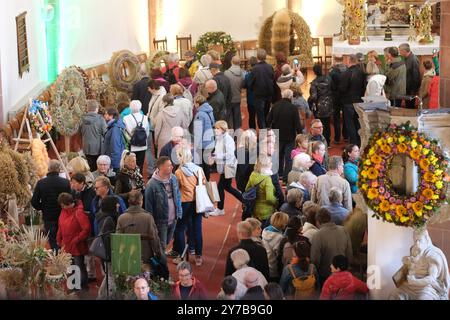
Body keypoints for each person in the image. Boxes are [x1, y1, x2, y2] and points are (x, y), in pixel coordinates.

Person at [389, 229, 450, 300]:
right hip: (410, 286)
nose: (417, 243)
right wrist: (408, 263)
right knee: (393, 295)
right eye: (415, 240)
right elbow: (412, 268)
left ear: (426, 239)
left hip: (427, 287)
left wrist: (415, 281)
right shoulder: (415, 249)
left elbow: (431, 279)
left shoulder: (433, 255)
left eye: (420, 240)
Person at [173, 147, 206, 266]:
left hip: (184, 203)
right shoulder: (199, 169)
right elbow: (204, 184)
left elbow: (176, 189)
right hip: (198, 202)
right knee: (197, 228)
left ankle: (182, 257)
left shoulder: (179, 172)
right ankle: (199, 257)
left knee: (180, 228)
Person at [31, 160, 71, 250]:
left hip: (48, 216)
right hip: (63, 214)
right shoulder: (65, 182)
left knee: (52, 239)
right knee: (64, 238)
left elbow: (34, 201)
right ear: (59, 169)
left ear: (48, 169)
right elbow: (70, 199)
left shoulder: (41, 183)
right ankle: (66, 258)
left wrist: (43, 207)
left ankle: (56, 257)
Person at [145, 156, 182, 253]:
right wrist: (151, 224)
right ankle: (161, 265)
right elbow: (148, 207)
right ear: (161, 168)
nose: (172, 167)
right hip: (161, 221)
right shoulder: (151, 185)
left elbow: (177, 195)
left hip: (174, 218)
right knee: (161, 247)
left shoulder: (173, 178)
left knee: (167, 242)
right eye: (169, 165)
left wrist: (179, 211)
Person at [267, 89, 303, 183]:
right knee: (288, 158)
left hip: (277, 135)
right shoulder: (293, 108)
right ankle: (286, 179)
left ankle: (279, 174)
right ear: (291, 97)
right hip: (290, 136)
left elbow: (268, 120)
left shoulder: (275, 106)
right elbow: (297, 124)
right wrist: (300, 134)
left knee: (278, 156)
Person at [116, 190, 162, 264]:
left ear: (128, 201)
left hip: (127, 258)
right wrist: (159, 254)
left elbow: (118, 240)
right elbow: (155, 239)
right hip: (145, 257)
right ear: (141, 201)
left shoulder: (121, 218)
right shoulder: (148, 217)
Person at [56, 193, 90, 290]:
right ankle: (73, 286)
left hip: (77, 245)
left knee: (79, 266)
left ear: (68, 203)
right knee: (70, 266)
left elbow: (86, 229)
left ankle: (83, 286)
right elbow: (60, 226)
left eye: (62, 205)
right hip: (66, 244)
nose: (61, 207)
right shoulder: (63, 211)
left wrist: (77, 239)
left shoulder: (78, 212)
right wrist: (59, 238)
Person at [311, 208, 353, 284]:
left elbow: (315, 260)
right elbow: (349, 253)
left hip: (326, 276)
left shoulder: (317, 235)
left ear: (317, 222)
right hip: (343, 272)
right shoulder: (344, 230)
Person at [211, 120, 242, 216]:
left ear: (223, 130)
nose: (215, 130)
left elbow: (229, 154)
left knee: (220, 186)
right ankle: (245, 200)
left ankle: (220, 209)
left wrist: (216, 156)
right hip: (224, 166)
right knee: (227, 187)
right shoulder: (219, 138)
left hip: (228, 166)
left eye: (217, 128)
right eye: (215, 128)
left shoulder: (227, 139)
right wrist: (214, 155)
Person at [339, 54, 366, 146]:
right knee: (357, 123)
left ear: (349, 61)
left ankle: (353, 144)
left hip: (348, 102)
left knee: (349, 124)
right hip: (359, 101)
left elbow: (342, 88)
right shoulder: (362, 71)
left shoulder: (346, 73)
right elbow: (364, 87)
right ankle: (359, 142)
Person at [95, 196, 119, 300]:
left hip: (104, 253)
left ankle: (101, 296)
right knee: (111, 277)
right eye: (116, 204)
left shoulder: (102, 216)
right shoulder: (109, 219)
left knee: (108, 276)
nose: (118, 205)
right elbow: (108, 239)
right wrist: (111, 256)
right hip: (109, 254)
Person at [245, 154, 278, 226]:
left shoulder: (253, 175)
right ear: (266, 165)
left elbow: (247, 189)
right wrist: (276, 203)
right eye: (270, 162)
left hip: (255, 209)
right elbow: (269, 198)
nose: (272, 163)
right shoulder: (267, 179)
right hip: (266, 211)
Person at [249, 49, 274, 129]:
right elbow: (272, 79)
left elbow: (250, 83)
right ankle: (269, 135)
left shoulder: (254, 69)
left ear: (257, 57)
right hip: (269, 95)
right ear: (265, 57)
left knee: (260, 117)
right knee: (267, 115)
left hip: (259, 96)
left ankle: (263, 138)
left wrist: (253, 89)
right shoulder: (270, 67)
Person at [308, 64, 333, 146]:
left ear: (314, 72)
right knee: (327, 124)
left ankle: (321, 142)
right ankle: (328, 142)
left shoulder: (314, 83)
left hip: (319, 107)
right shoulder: (328, 79)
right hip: (328, 104)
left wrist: (309, 101)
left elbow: (313, 97)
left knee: (319, 125)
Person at [192, 94, 215, 180]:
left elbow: (198, 132)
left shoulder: (200, 114)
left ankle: (204, 184)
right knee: (207, 166)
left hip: (203, 144)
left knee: (202, 166)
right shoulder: (209, 110)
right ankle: (207, 182)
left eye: (194, 103)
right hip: (210, 141)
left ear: (198, 103)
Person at [262, 212, 290, 281]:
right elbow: (280, 255)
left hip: (266, 265)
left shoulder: (266, 230)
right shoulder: (278, 237)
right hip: (274, 269)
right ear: (283, 223)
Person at [123, 100, 149, 173]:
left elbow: (125, 133)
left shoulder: (126, 118)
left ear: (130, 107)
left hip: (132, 144)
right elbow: (147, 132)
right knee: (140, 164)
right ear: (140, 107)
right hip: (143, 144)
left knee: (130, 164)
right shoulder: (145, 117)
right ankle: (139, 180)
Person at [80, 100, 107, 171]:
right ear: (97, 109)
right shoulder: (101, 119)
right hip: (97, 148)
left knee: (89, 166)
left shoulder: (82, 119)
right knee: (97, 167)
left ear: (87, 109)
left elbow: (80, 132)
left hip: (86, 146)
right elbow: (105, 133)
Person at [329, 55, 348, 143]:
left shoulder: (332, 72)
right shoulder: (347, 70)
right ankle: (346, 136)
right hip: (345, 96)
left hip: (335, 96)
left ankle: (337, 138)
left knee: (336, 117)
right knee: (345, 116)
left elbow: (330, 85)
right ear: (342, 60)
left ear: (334, 60)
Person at [102, 107, 126, 172]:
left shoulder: (115, 128)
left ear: (111, 116)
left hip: (113, 162)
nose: (104, 115)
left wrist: (113, 164)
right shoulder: (114, 126)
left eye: (106, 114)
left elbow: (115, 146)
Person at [224, 55, 245, 129]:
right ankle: (238, 132)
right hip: (237, 96)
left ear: (231, 62)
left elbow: (225, 85)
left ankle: (230, 134)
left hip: (229, 98)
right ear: (239, 63)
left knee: (229, 117)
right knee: (237, 115)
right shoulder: (242, 73)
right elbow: (243, 85)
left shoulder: (226, 73)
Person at [399, 43, 421, 109]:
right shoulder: (406, 58)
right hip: (407, 87)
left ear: (404, 51)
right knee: (407, 104)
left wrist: (413, 90)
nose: (399, 53)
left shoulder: (413, 60)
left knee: (410, 106)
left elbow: (416, 76)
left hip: (411, 89)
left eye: (400, 51)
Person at [244, 56, 258, 129]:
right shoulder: (260, 74)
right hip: (260, 99)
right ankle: (263, 137)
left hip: (251, 99)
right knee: (261, 118)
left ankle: (253, 134)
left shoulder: (248, 75)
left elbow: (244, 85)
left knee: (252, 117)